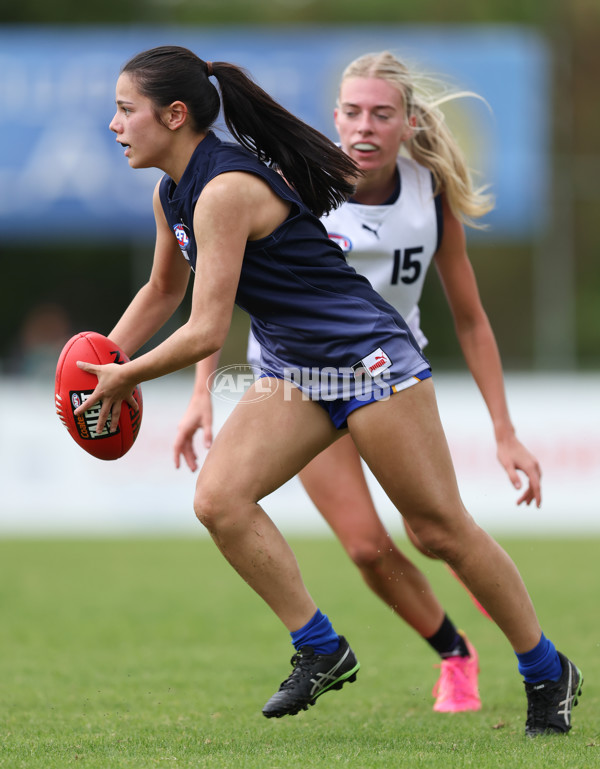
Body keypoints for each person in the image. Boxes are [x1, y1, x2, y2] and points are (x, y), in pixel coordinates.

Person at [75, 45, 582, 736]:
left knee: (437, 530)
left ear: (174, 114)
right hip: (296, 369)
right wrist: (101, 360)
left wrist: (122, 375)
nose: (114, 124)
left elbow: (204, 331)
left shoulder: (224, 190)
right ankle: (320, 646)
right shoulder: (173, 193)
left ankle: (547, 669)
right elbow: (163, 289)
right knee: (219, 500)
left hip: (368, 359)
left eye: (124, 110)